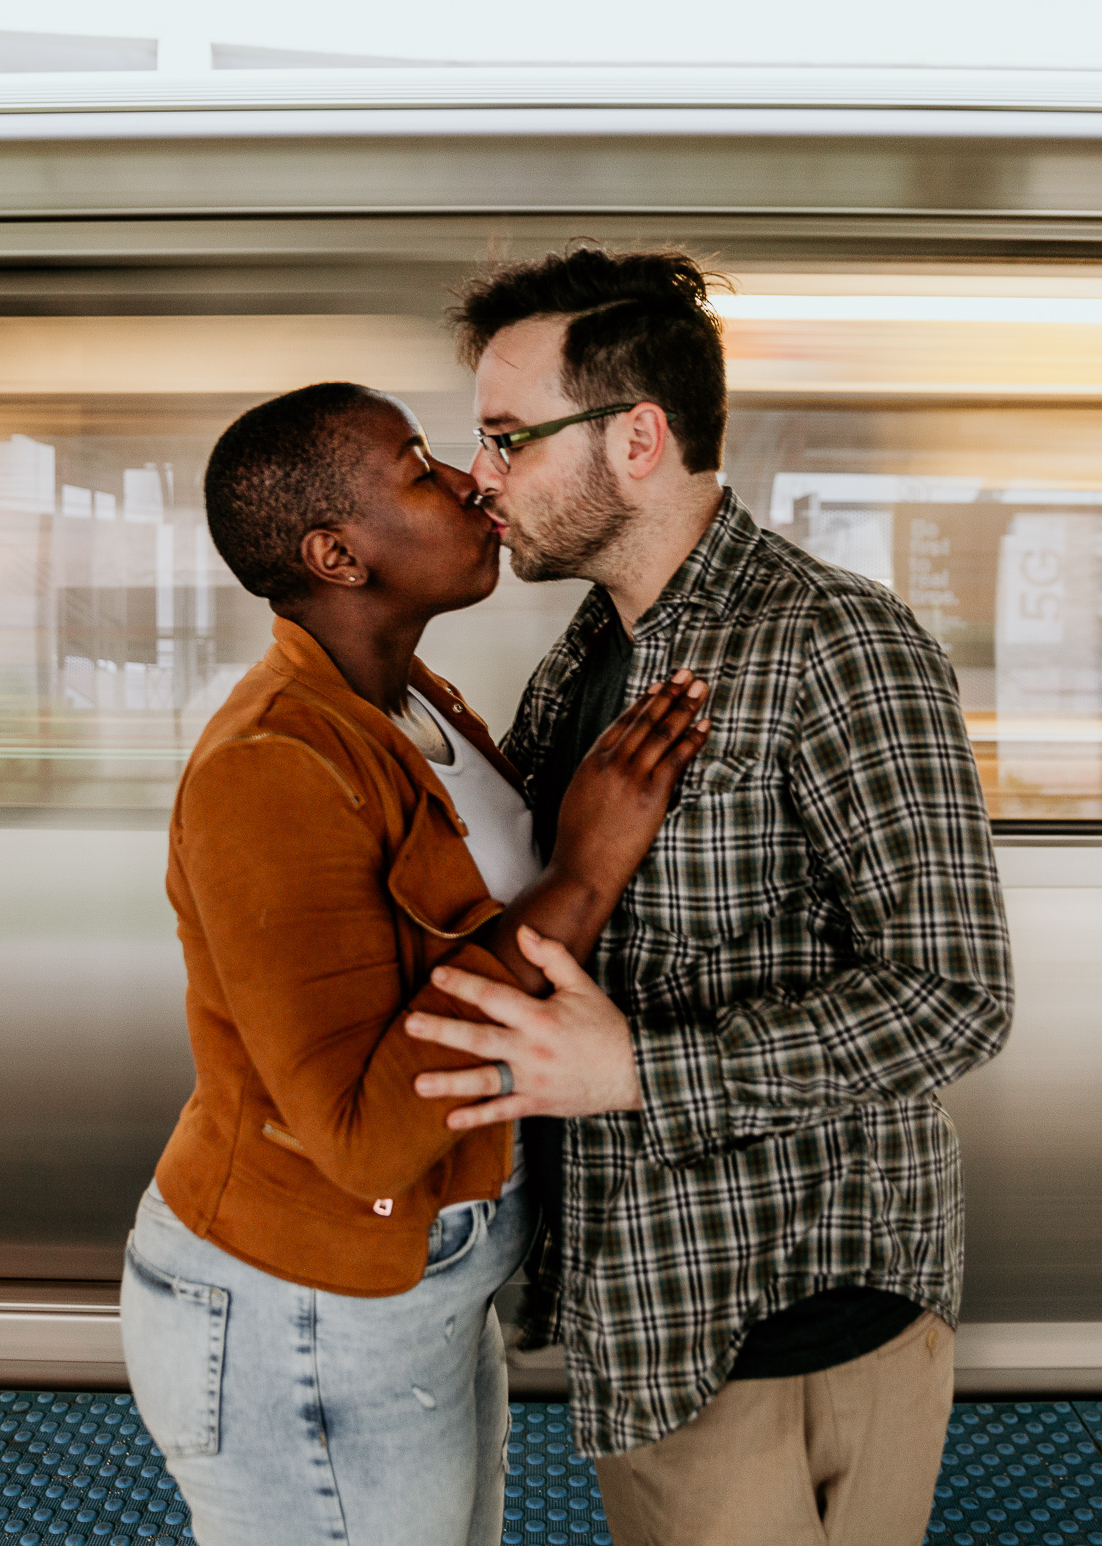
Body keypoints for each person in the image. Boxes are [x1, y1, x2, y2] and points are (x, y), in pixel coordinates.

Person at [404, 247, 1016, 1546]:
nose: (482, 477)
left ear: (637, 437)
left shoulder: (836, 639)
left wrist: (637, 1069)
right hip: (654, 1306)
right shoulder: (584, 662)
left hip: (797, 1309)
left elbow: (956, 997)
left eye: (510, 438)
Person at [120, 381, 711, 1546]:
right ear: (338, 553)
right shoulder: (270, 764)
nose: (466, 481)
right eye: (418, 466)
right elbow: (364, 1130)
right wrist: (580, 874)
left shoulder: (409, 704)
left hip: (417, 1282)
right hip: (302, 1302)